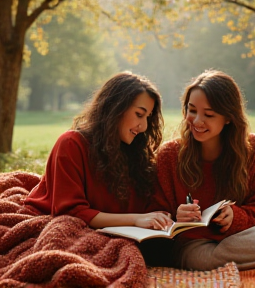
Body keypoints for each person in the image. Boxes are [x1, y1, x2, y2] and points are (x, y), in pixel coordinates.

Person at [155, 69, 255, 270]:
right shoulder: (169, 156)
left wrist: (237, 217)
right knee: (207, 258)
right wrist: (175, 216)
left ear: (228, 117)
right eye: (192, 110)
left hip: (245, 237)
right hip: (195, 246)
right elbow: (152, 213)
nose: (197, 121)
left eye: (208, 114)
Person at [24, 71, 172, 231]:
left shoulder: (135, 152)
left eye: (148, 118)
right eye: (139, 114)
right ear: (115, 108)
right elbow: (71, 213)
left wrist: (163, 216)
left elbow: (147, 206)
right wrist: (135, 219)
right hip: (62, 226)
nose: (144, 126)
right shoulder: (71, 144)